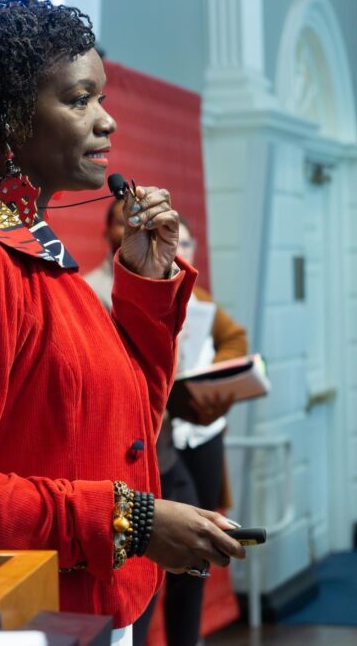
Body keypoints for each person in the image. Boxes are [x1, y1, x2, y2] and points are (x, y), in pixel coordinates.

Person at [0, 0, 244, 644]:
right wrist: (126, 520)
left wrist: (145, 281)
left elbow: (129, 424)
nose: (106, 123)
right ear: (9, 123)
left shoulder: (32, 243)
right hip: (16, 617)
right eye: (78, 100)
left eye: (100, 98)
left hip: (79, 605)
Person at [90, 206, 246, 645]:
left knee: (194, 554)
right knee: (138, 569)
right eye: (126, 224)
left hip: (171, 447)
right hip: (128, 458)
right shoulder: (91, 292)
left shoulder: (180, 290)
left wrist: (208, 378)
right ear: (111, 232)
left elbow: (228, 338)